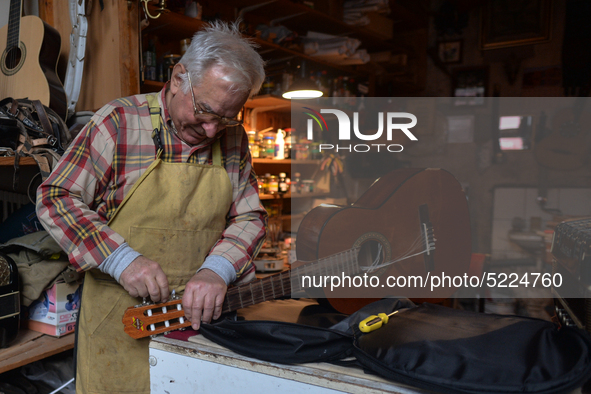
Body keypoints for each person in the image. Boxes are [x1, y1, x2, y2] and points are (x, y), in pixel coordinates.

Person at [36, 21, 267, 394]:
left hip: (200, 324)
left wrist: (218, 270)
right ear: (178, 78)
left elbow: (251, 216)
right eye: (206, 111)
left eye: (226, 118)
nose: (212, 131)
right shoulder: (119, 122)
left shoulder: (234, 139)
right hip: (118, 323)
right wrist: (120, 258)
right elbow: (56, 197)